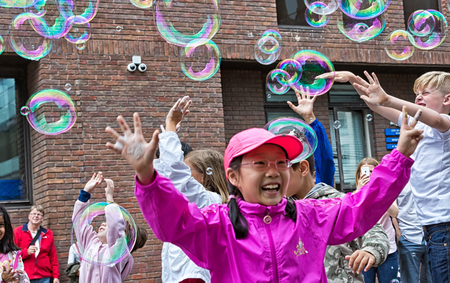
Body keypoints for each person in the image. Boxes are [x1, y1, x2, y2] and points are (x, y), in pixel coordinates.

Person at [104, 104, 422, 282]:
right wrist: (147, 175)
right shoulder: (217, 224)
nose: (273, 170)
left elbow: (359, 207)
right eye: (260, 163)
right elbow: (173, 223)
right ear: (233, 176)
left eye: (281, 162)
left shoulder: (311, 214)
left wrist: (401, 155)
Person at [318, 70, 450, 282]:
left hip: (444, 225)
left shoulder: (444, 124)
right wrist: (353, 80)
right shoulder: (419, 125)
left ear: (447, 99)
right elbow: (375, 105)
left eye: (425, 92)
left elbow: (435, 119)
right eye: (416, 93)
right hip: (433, 228)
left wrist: (387, 97)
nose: (418, 97)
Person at [285, 90, 389, 283]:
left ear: (303, 168)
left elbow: (374, 230)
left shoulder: (336, 202)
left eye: (283, 167)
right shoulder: (282, 209)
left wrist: (369, 250)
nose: (275, 175)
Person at [148, 96, 228, 283]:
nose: (184, 173)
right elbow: (164, 184)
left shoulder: (211, 202)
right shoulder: (198, 202)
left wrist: (170, 129)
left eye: (188, 169)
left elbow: (177, 178)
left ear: (204, 175)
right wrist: (163, 146)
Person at [72, 172, 148, 283]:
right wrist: (86, 192)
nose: (103, 224)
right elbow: (79, 222)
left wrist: (109, 197)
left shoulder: (119, 250)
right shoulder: (91, 243)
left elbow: (116, 227)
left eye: (107, 223)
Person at [354, 158, 399, 283]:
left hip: (388, 250)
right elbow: (353, 217)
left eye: (372, 172)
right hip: (364, 251)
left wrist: (379, 191)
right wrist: (360, 192)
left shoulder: (386, 191)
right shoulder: (353, 196)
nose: (368, 175)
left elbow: (394, 213)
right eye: (364, 172)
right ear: (358, 176)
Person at [287, 86, 335, 187]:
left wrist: (310, 118)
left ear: (303, 168)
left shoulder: (320, 185)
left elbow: (324, 158)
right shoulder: (281, 200)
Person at [13, 205, 59, 283]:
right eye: (33, 213)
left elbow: (53, 256)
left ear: (42, 218)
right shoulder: (17, 232)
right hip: (25, 275)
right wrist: (26, 252)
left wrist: (56, 276)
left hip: (44, 276)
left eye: (39, 214)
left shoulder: (48, 233)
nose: (36, 216)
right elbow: (12, 254)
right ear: (29, 216)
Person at [397, 183, 432, 283]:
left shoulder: (426, 175)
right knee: (410, 280)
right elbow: (392, 209)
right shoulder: (398, 178)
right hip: (408, 236)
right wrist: (399, 234)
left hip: (431, 236)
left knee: (434, 278)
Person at [1, 205, 30, 283]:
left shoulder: (13, 254)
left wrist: (20, 278)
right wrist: (2, 279)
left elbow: (25, 279)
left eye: (0, 225)